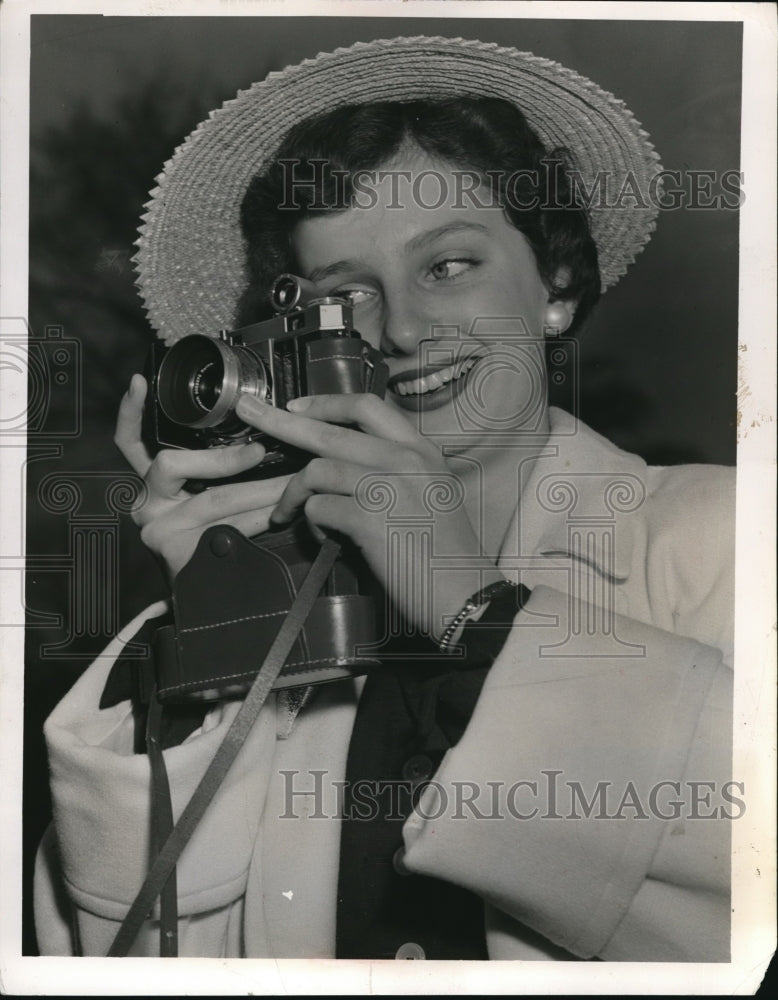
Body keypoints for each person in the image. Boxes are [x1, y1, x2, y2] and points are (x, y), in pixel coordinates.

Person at [34, 36, 734, 962]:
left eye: (448, 266)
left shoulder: (720, 537)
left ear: (556, 285)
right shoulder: (308, 602)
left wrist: (469, 607)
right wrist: (216, 630)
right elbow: (121, 949)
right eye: (346, 296)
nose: (401, 330)